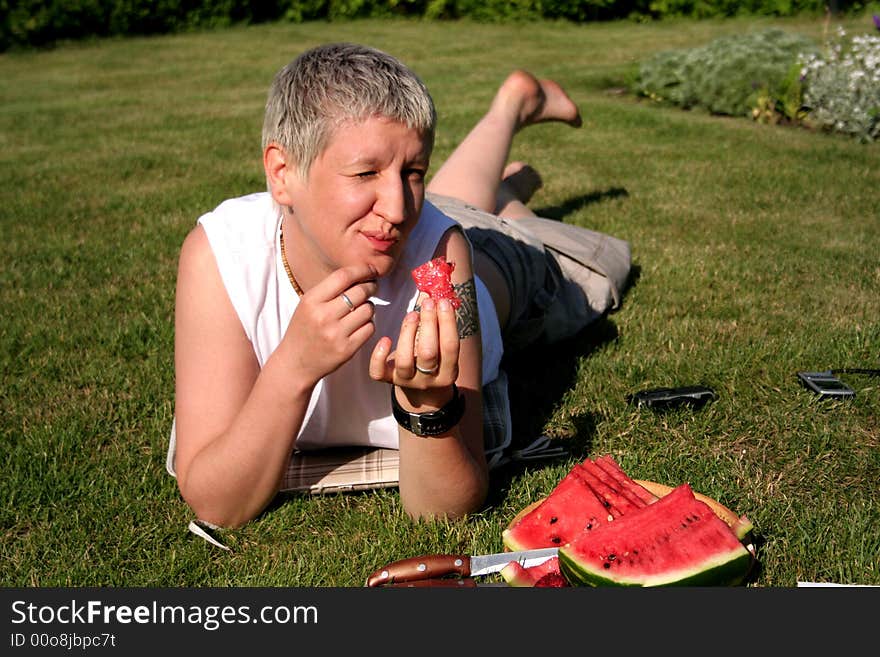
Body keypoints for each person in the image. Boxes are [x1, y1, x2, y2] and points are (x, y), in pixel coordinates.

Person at [169, 43, 630, 529]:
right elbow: (217, 503)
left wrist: (427, 404)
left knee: (586, 267)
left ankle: (510, 185)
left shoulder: (441, 257)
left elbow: (446, 509)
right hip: (448, 221)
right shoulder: (221, 255)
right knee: (450, 206)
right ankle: (509, 139)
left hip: (499, 264)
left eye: (415, 172)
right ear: (282, 175)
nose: (396, 206)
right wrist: (291, 367)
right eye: (365, 172)